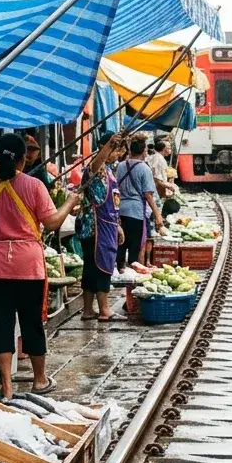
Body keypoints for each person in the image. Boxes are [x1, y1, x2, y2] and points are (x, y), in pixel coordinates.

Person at [0, 133, 80, 398]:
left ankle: (7, 388)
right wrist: (70, 201)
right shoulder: (33, 186)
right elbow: (53, 222)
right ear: (23, 159)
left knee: (2, 323)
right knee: (32, 322)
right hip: (27, 265)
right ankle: (40, 380)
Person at [78, 134, 126, 322]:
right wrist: (109, 145)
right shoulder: (96, 168)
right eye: (116, 150)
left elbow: (113, 203)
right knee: (102, 267)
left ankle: (88, 310)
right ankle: (105, 310)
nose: (118, 154)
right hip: (96, 226)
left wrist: (118, 226)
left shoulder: (110, 171)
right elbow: (96, 164)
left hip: (106, 224)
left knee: (90, 268)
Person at [115, 137, 165, 267]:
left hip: (120, 211)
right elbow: (148, 195)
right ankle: (132, 280)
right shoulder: (144, 168)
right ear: (144, 151)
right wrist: (158, 215)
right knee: (134, 249)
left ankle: (120, 271)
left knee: (120, 244)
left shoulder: (121, 166)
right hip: (136, 212)